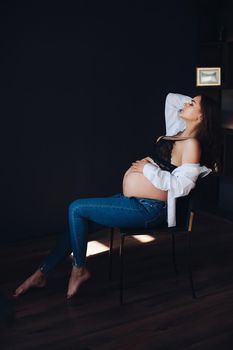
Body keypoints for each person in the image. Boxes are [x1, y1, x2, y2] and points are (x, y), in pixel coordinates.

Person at [13, 92, 219, 299]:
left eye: (192, 103)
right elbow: (171, 99)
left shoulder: (192, 144)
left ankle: (79, 269)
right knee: (79, 220)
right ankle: (42, 273)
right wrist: (194, 104)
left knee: (76, 208)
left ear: (201, 117)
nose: (184, 103)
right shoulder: (177, 131)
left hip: (151, 210)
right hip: (133, 201)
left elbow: (182, 186)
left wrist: (148, 169)